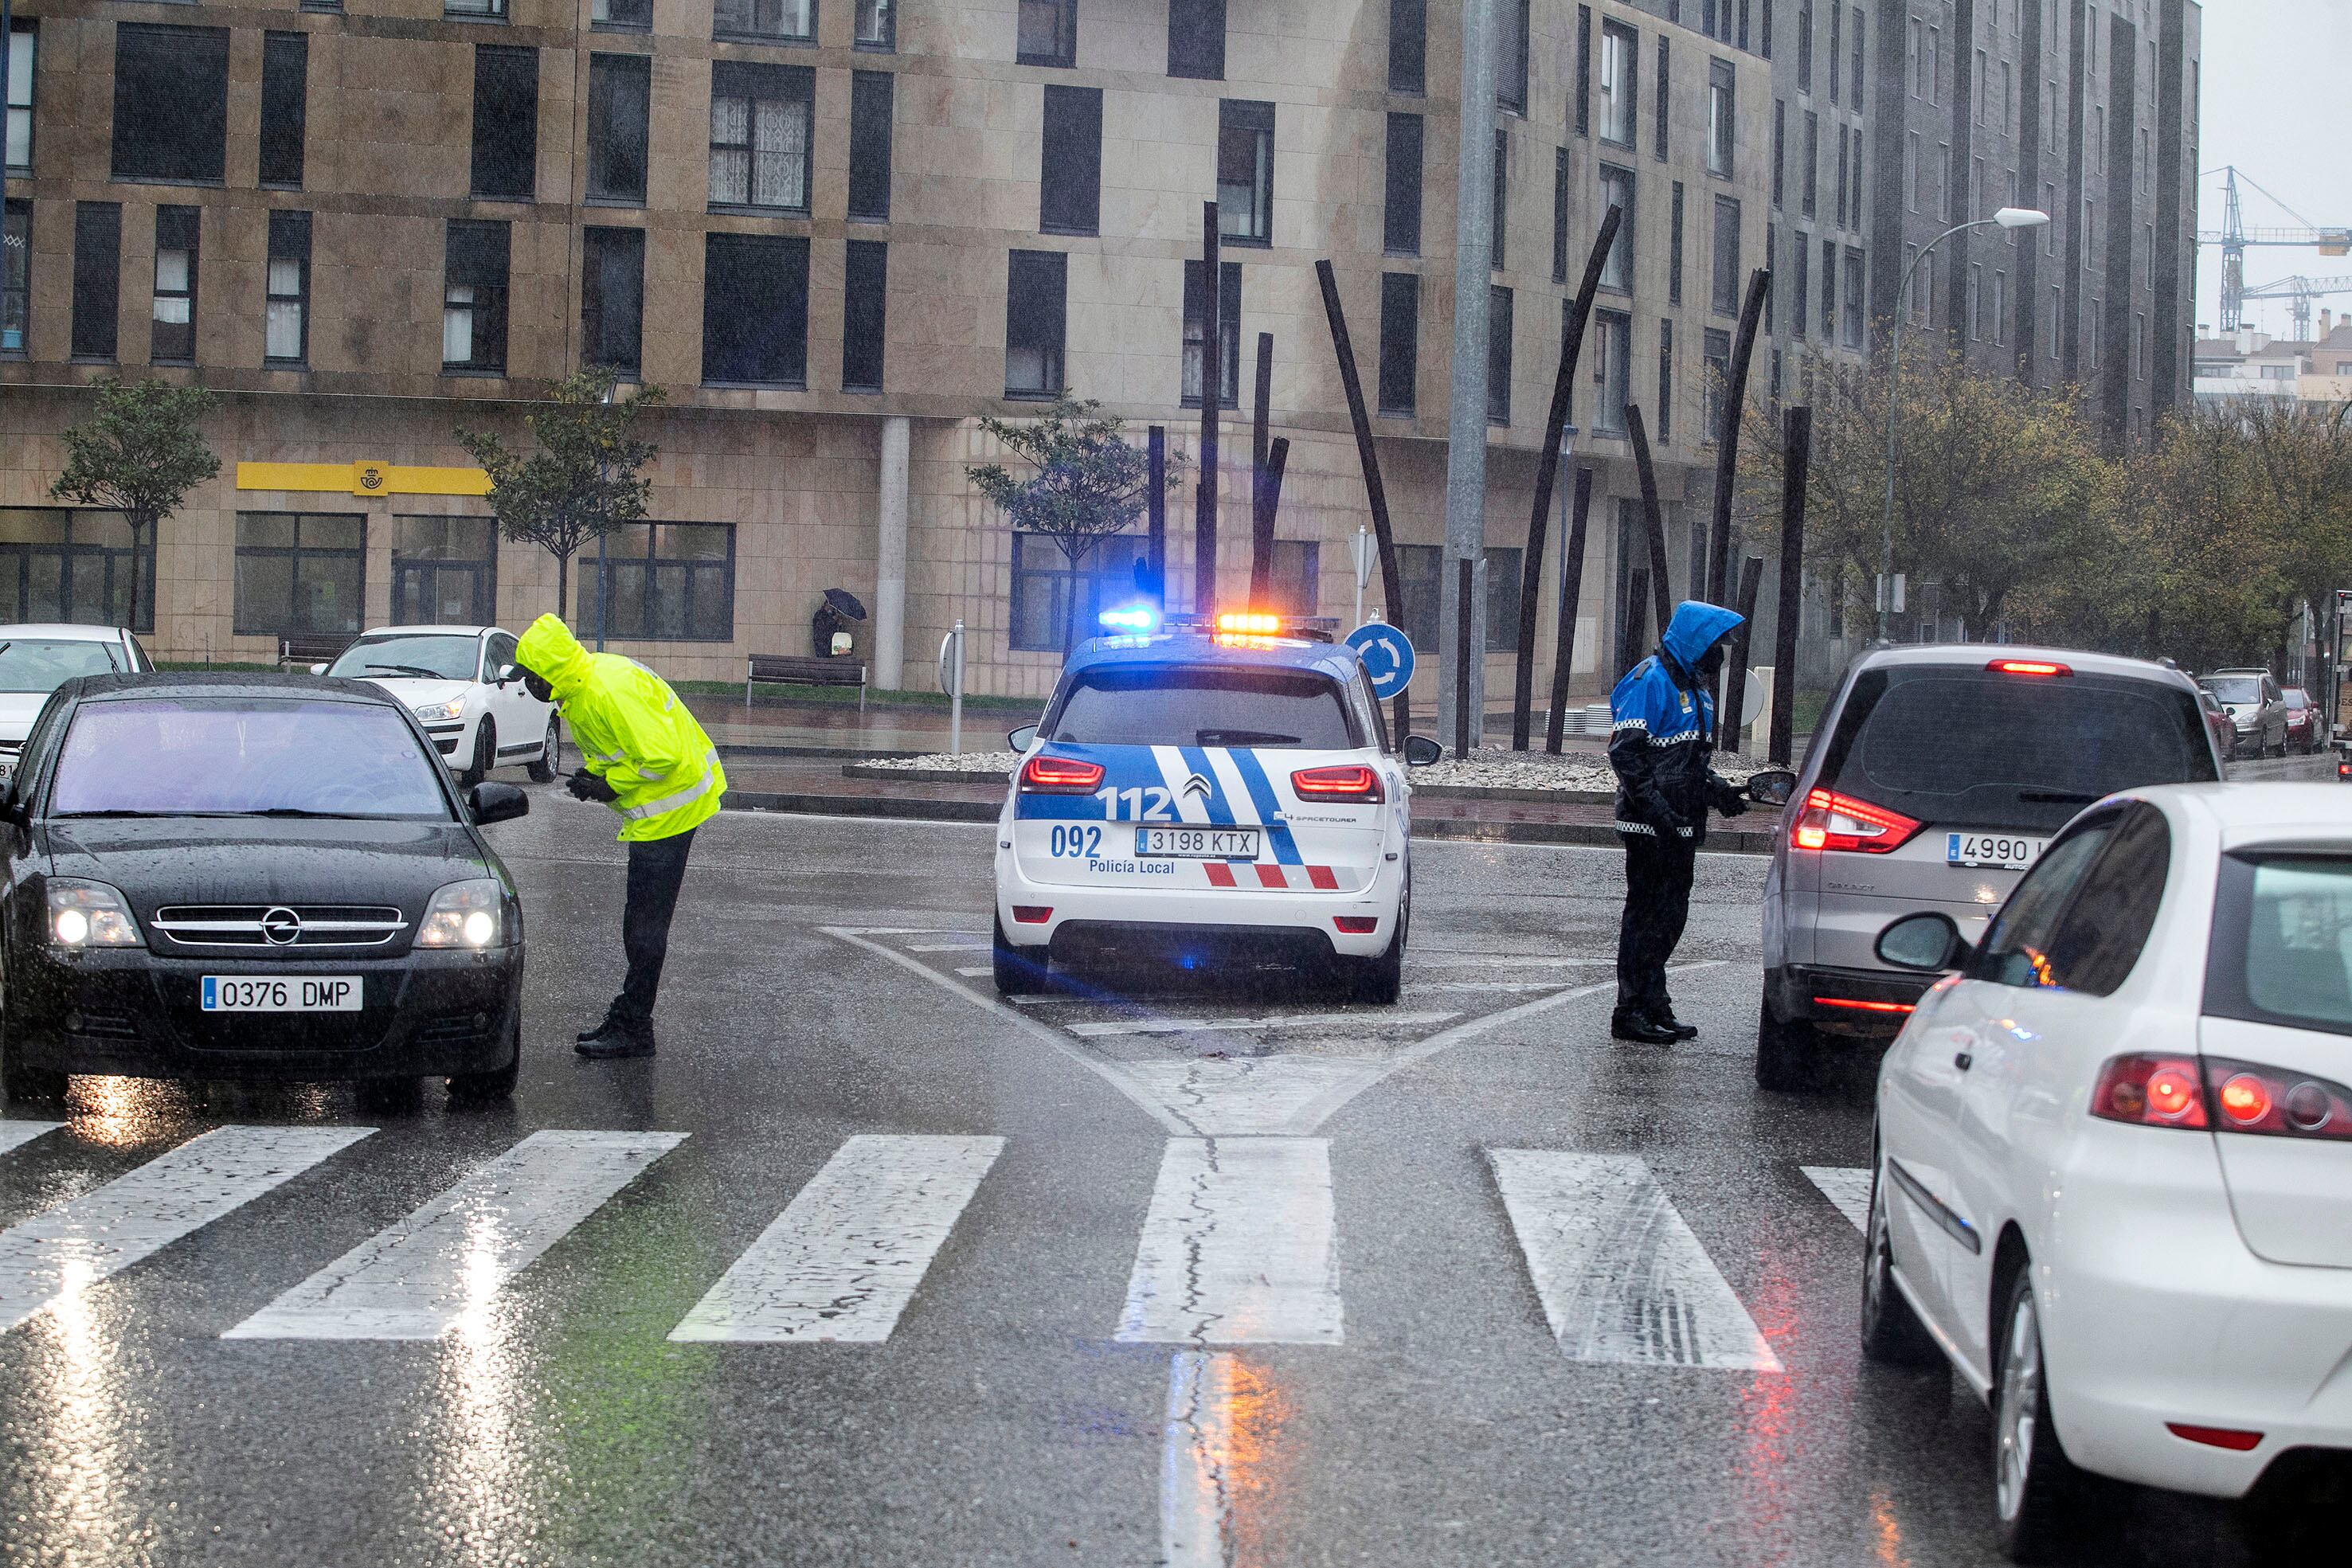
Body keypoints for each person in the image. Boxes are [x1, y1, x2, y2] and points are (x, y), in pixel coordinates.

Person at [512, 614, 727, 1060]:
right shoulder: (587, 684)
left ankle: (634, 1027)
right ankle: (631, 1019)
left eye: (531, 677)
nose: (527, 686)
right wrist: (594, 776)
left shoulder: (600, 693)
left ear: (550, 671)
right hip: (666, 809)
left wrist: (608, 786)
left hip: (672, 811)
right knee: (641, 925)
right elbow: (625, 748)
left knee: (644, 930)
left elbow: (660, 758)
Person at [1606, 599, 1748, 1045]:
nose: (1720, 655)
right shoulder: (1651, 680)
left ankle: (1653, 1002)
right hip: (1651, 827)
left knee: (1670, 919)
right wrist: (1659, 813)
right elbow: (1626, 753)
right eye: (1715, 644)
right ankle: (1630, 1012)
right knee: (1646, 918)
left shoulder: (1696, 688)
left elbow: (1684, 761)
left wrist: (1718, 790)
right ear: (1694, 642)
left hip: (1681, 825)